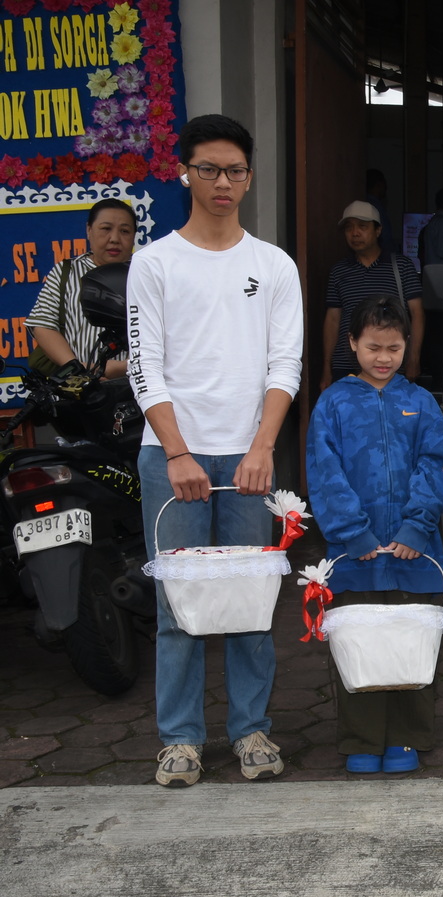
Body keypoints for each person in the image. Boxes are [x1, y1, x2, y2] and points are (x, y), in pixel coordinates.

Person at [128, 114, 303, 788]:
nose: (222, 182)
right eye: (209, 169)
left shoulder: (272, 265)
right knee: (178, 605)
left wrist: (262, 447)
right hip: (171, 459)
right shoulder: (155, 263)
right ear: (186, 174)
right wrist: (177, 453)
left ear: (250, 178)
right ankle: (180, 739)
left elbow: (284, 365)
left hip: (248, 459)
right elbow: (144, 366)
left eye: (234, 171)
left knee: (249, 604)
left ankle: (251, 729)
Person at [307, 294, 443, 774]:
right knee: (360, 644)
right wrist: (353, 534)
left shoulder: (420, 402)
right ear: (352, 343)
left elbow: (437, 465)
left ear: (407, 344)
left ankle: (407, 738)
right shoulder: (333, 403)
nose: (384, 358)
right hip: (355, 555)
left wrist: (416, 527)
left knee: (412, 640)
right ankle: (362, 740)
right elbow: (324, 472)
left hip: (415, 552)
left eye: (394, 348)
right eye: (373, 347)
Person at [26, 198, 137, 378]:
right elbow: (43, 325)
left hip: (137, 384)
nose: (115, 239)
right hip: (78, 385)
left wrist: (125, 367)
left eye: (124, 231)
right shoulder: (66, 272)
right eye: (106, 229)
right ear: (89, 230)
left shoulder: (147, 274)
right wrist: (79, 369)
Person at [321, 200, 424, 388]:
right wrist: (327, 367)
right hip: (346, 365)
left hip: (390, 363)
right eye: (349, 228)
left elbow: (417, 314)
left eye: (362, 226)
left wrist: (413, 358)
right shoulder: (339, 271)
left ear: (378, 230)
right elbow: (333, 319)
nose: (355, 233)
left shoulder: (401, 267)